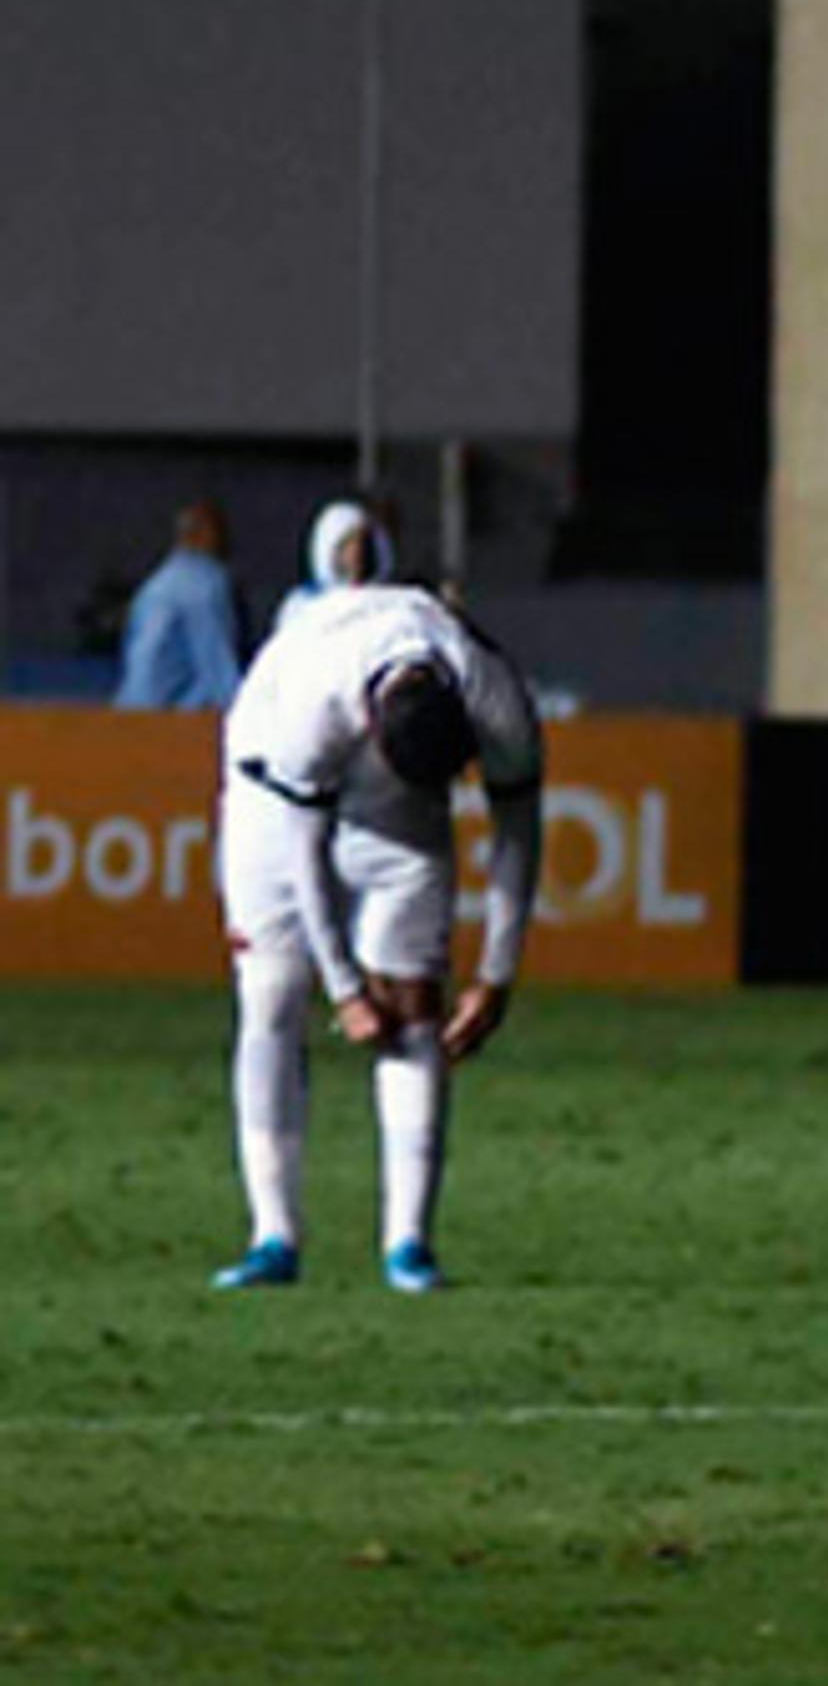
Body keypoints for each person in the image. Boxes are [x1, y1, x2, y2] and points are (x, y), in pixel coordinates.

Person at [208, 572, 543, 1294]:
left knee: (415, 1010)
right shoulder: (312, 702)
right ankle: (274, 1236)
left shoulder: (494, 694)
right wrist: (345, 988)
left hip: (398, 825)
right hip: (273, 801)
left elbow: (518, 825)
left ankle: (410, 1245)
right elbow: (304, 851)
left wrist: (497, 974)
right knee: (273, 993)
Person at [114, 500, 245, 710]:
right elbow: (217, 665)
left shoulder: (155, 584)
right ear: (207, 534)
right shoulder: (206, 582)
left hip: (130, 713)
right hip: (170, 720)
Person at [276, 501, 392, 633]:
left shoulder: (390, 604)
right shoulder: (301, 605)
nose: (356, 554)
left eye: (364, 544)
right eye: (346, 545)